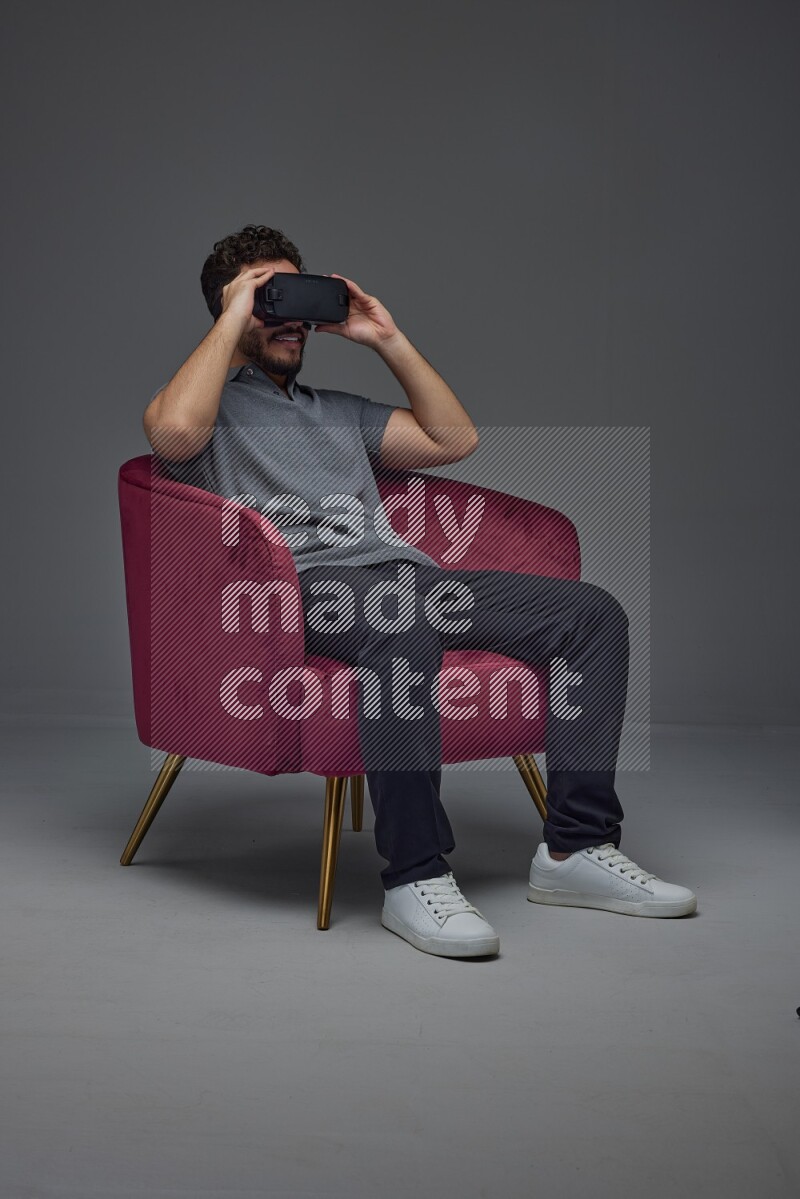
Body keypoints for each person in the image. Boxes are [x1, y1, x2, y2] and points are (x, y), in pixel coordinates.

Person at [143, 224, 696, 959]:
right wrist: (235, 316)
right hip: (298, 588)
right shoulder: (210, 409)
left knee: (591, 614)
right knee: (399, 622)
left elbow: (452, 439)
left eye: (297, 296)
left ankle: (576, 849)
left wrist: (386, 338)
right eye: (266, 296)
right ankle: (415, 877)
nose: (288, 315)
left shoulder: (337, 411)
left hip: (406, 578)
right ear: (228, 308)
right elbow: (173, 435)